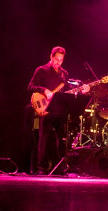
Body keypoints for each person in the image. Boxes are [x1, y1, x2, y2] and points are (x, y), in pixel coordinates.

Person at [27, 45, 90, 174]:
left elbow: (66, 92)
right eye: (56, 59)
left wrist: (81, 92)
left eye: (61, 60)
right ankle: (40, 168)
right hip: (45, 108)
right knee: (43, 139)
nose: (58, 63)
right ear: (51, 56)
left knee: (62, 139)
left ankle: (60, 167)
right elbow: (30, 86)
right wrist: (44, 90)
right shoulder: (41, 70)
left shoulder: (64, 74)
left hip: (59, 110)